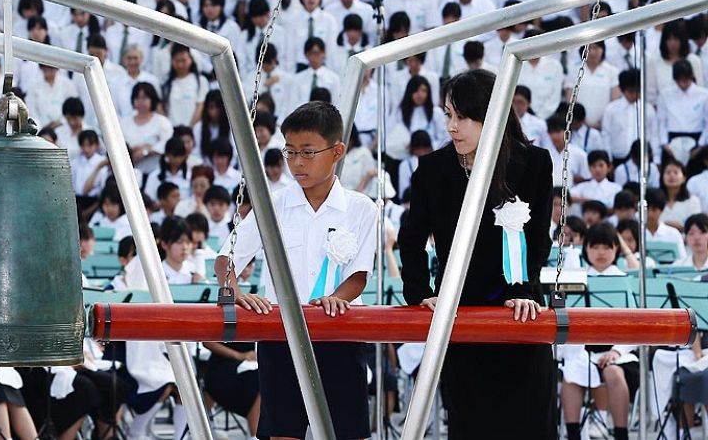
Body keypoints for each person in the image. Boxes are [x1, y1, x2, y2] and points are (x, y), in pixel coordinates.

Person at [398, 69, 556, 439]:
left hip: (520, 313)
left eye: (462, 117)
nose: (452, 127)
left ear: (493, 114)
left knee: (529, 423)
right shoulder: (432, 169)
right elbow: (411, 237)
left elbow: (537, 238)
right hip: (459, 313)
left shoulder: (533, 163)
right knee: (470, 424)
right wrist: (420, 292)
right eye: (448, 115)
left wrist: (522, 289)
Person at [215, 101, 377, 439]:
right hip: (280, 335)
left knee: (346, 432)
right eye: (289, 152)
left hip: (340, 334)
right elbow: (227, 257)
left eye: (307, 152)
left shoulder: (361, 208)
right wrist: (234, 293)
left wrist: (335, 298)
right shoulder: (270, 202)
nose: (296, 163)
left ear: (337, 152)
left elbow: (359, 275)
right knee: (282, 432)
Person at [561, 222, 639, 440]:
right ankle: (573, 433)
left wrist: (616, 352)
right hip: (582, 350)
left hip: (617, 354)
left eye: (607, 247)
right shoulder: (577, 279)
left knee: (613, 372)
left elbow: (635, 326)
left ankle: (621, 433)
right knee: (571, 373)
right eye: (595, 247)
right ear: (586, 249)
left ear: (616, 249)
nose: (601, 253)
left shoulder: (624, 280)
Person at [660, 160, 702, 232]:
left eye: (676, 172)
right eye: (668, 172)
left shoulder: (693, 201)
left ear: (684, 178)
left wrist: (681, 228)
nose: (671, 175)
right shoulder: (656, 200)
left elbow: (696, 226)